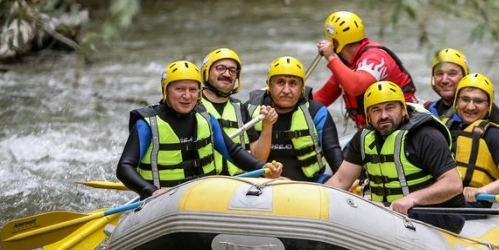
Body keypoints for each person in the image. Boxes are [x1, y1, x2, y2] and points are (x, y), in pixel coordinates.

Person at [116, 60, 282, 198]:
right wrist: (151, 191)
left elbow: (233, 152)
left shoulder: (207, 119)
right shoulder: (146, 124)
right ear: (166, 90)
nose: (187, 96)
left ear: (199, 93)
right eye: (179, 89)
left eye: (193, 90)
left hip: (201, 198)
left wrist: (262, 168)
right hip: (161, 200)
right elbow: (124, 167)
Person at [325, 81, 466, 233]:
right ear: (368, 116)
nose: (384, 115)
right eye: (376, 110)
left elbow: (453, 184)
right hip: (389, 210)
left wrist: (412, 199)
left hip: (439, 213)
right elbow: (340, 180)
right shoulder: (363, 138)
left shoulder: (426, 136)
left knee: (370, 212)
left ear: (403, 110)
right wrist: (317, 198)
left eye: (390, 107)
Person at [245, 55, 343, 183]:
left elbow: (333, 151)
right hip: (262, 184)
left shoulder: (316, 112)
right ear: (269, 85)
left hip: (308, 184)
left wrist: (348, 181)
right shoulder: (249, 111)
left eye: (293, 83)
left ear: (302, 88)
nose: (286, 90)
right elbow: (248, 158)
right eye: (280, 82)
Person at [313, 10, 418, 129]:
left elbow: (356, 86)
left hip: (405, 124)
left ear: (335, 42)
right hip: (374, 129)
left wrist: (331, 57)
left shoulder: (375, 58)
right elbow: (322, 98)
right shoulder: (347, 65)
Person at [424, 48, 499, 152]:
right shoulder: (428, 109)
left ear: (464, 77)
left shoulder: (479, 109)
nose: (444, 80)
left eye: (452, 74)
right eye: (439, 74)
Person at [446, 73, 499, 209]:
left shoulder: (495, 135)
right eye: (465, 99)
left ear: (488, 108)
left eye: (478, 101)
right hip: (439, 198)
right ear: (456, 102)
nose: (470, 107)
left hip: (471, 204)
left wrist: (480, 191)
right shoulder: (443, 129)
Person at [200, 47, 277, 175]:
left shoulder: (239, 108)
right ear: (206, 72)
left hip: (240, 181)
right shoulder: (192, 106)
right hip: (206, 183)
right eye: (220, 68)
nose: (227, 74)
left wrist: (267, 126)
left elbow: (259, 158)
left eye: (232, 70)